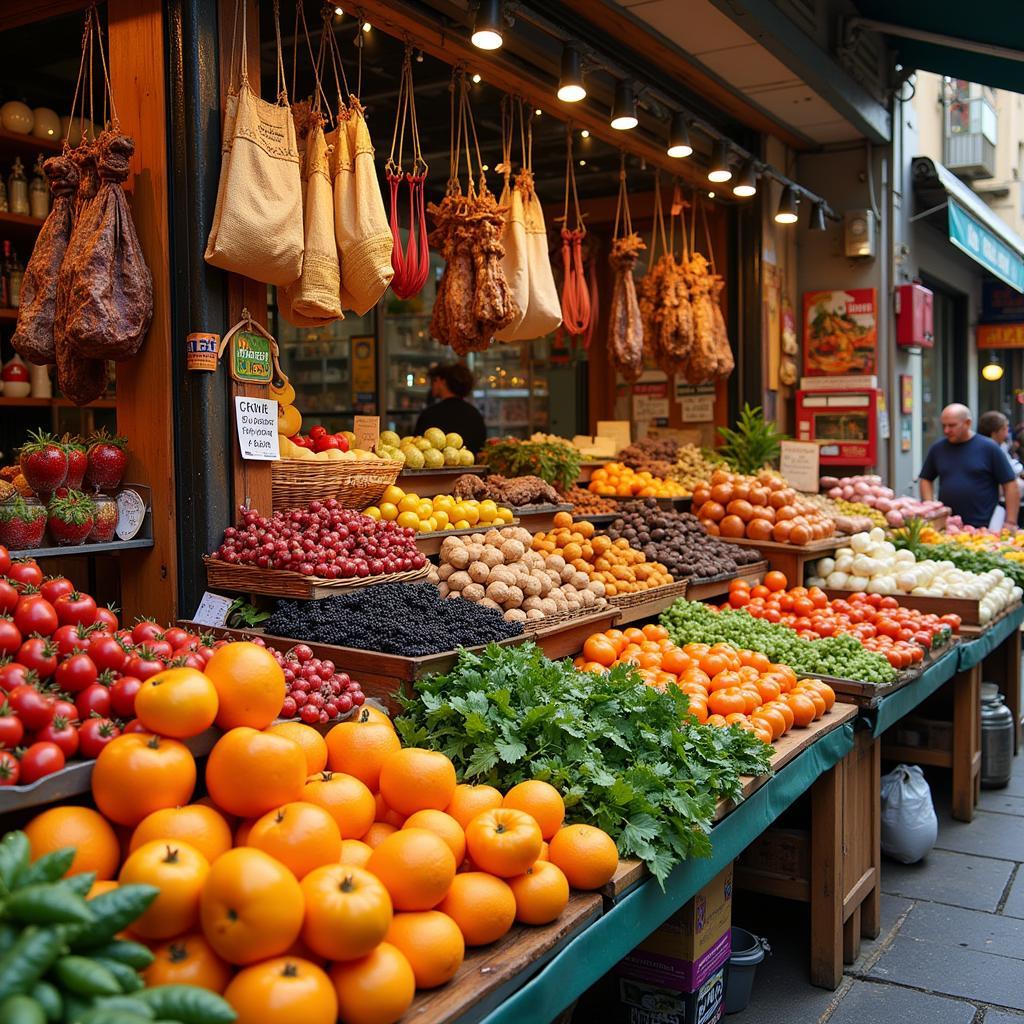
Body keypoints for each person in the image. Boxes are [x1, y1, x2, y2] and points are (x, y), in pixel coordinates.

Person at [919, 403, 1019, 528]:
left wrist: (1010, 521)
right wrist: (929, 505)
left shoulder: (989, 448)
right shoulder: (938, 449)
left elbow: (1010, 485)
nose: (946, 430)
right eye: (944, 425)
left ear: (967, 423)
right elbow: (926, 478)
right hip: (948, 526)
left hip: (984, 527)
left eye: (952, 425)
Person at [415, 363, 487, 455]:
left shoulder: (430, 414)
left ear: (443, 381)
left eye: (434, 380)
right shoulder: (475, 414)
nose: (432, 385)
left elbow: (418, 446)